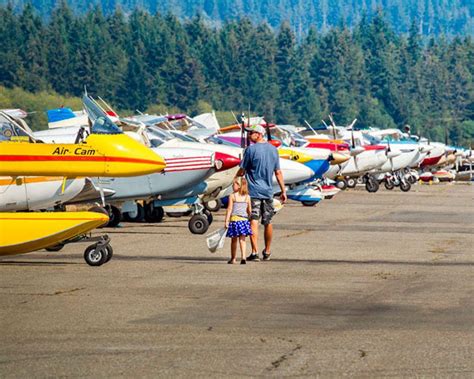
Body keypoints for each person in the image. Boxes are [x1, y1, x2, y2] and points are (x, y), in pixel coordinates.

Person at [236, 124, 287, 262]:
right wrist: (283, 190)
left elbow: (242, 170)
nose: (248, 135)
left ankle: (255, 252)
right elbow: (278, 172)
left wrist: (235, 178)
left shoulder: (250, 150)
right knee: (268, 221)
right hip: (268, 191)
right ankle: (268, 251)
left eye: (251, 133)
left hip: (253, 192)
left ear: (258, 134)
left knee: (253, 219)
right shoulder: (273, 150)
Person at [224, 177, 252, 264]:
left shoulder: (232, 196)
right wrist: (248, 217)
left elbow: (229, 209)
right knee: (242, 239)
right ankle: (243, 257)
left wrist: (226, 221)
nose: (232, 186)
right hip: (244, 221)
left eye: (234, 184)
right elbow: (249, 210)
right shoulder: (247, 197)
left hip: (234, 221)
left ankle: (233, 258)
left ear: (239, 186)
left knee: (234, 240)